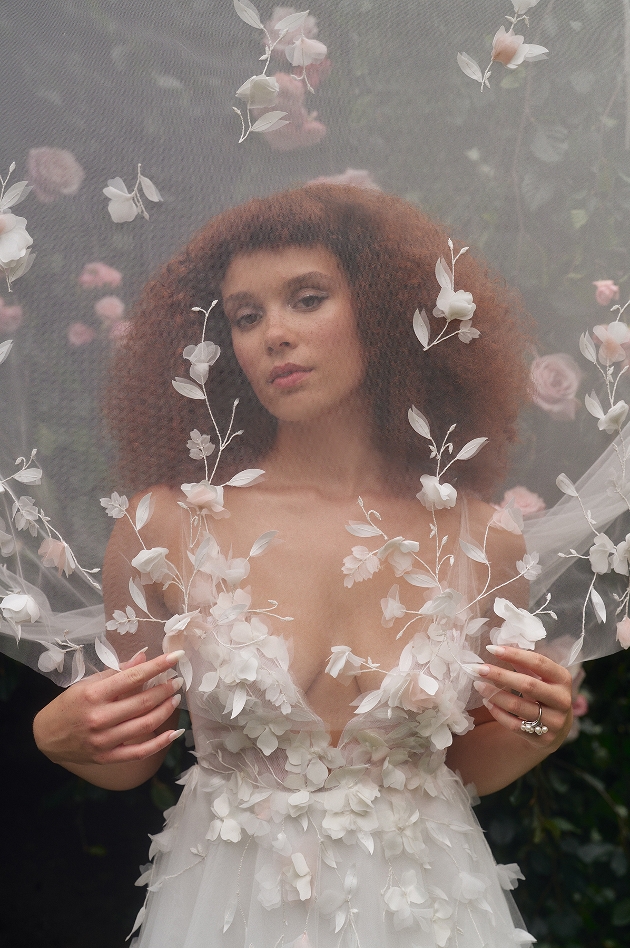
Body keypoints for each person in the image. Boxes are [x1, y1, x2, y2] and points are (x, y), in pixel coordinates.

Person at [31, 184, 573, 947]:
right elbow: (130, 755)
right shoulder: (168, 527)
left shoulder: (483, 540)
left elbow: (456, 764)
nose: (273, 335)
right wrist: (57, 735)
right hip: (229, 907)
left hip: (430, 909)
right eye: (247, 317)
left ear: (384, 312)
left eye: (307, 299)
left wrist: (535, 729)